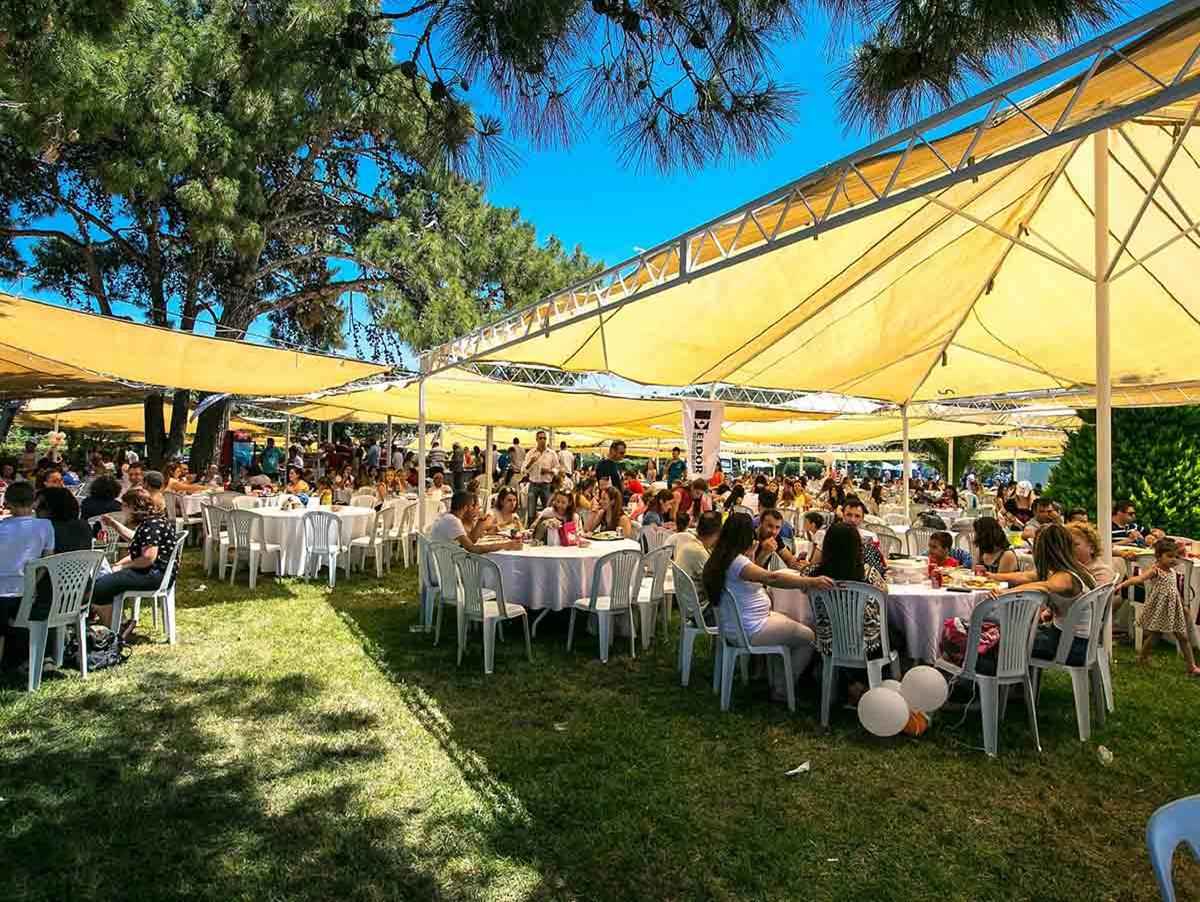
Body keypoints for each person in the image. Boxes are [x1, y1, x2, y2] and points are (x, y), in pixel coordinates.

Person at [703, 514, 834, 703]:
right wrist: (810, 581)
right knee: (809, 636)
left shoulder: (720, 557)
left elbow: (750, 577)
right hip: (750, 629)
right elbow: (772, 578)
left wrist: (753, 554)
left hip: (736, 625)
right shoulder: (737, 562)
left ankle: (774, 677)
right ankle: (782, 688)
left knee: (789, 621)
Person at [991, 525, 1096, 670]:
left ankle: (1004, 681)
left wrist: (1005, 593)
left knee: (1002, 641)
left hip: (1069, 646)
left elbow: (1044, 586)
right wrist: (992, 576)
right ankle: (1023, 680)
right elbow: (1026, 576)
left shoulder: (1065, 577)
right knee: (1015, 634)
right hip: (1077, 641)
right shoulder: (1074, 569)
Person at [91, 488, 178, 628]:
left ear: (132, 507)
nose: (122, 509)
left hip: (153, 575)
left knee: (99, 587)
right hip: (157, 573)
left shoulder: (151, 526)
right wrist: (113, 524)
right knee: (104, 582)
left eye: (124, 506)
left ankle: (115, 628)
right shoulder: (154, 521)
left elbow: (148, 558)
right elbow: (136, 540)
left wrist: (122, 566)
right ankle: (118, 622)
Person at [808, 521, 888, 664]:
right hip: (868, 646)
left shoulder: (813, 575)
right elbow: (884, 593)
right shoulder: (868, 573)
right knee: (896, 632)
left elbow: (802, 584)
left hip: (830, 643)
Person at [1118, 538, 1200, 674]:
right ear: (1159, 556)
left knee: (1183, 637)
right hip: (1161, 608)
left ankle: (1191, 667)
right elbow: (1139, 578)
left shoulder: (1172, 571)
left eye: (1176, 557)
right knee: (1155, 635)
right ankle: (1142, 658)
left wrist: (1182, 604)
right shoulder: (1155, 570)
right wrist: (1123, 584)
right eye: (1169, 556)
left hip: (1173, 608)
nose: (1173, 560)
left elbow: (1174, 590)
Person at [0, 481, 56, 661]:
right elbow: (46, 561)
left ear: (7, 503)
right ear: (34, 502)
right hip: (27, 594)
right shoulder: (46, 526)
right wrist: (33, 583)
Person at [430, 491, 522, 554]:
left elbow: (470, 540)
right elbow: (473, 549)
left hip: (443, 560)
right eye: (472, 506)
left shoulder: (447, 517)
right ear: (466, 508)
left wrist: (479, 524)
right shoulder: (452, 521)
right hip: (446, 567)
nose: (475, 509)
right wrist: (506, 545)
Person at [673, 509, 723, 620]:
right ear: (717, 533)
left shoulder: (692, 545)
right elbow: (715, 585)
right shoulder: (698, 551)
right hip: (700, 612)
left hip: (690, 607)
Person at [840, 497, 888, 575]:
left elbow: (878, 565)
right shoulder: (830, 535)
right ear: (843, 516)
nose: (852, 520)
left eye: (857, 516)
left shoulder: (871, 537)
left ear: (862, 519)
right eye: (849, 515)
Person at [521, 431, 558, 526]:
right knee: (531, 512)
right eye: (540, 438)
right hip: (533, 484)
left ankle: (546, 531)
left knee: (548, 510)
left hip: (546, 485)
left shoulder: (552, 453)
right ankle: (530, 531)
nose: (543, 440)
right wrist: (531, 462)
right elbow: (523, 470)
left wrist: (549, 471)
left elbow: (557, 469)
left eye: (544, 438)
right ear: (536, 439)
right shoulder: (531, 453)